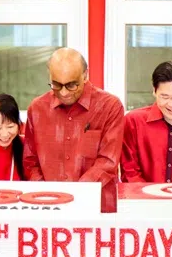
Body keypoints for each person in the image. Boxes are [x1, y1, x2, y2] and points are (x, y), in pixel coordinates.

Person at [23, 48, 124, 212]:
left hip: (97, 207)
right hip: (49, 206)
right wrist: (46, 195)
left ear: (85, 75)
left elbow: (108, 162)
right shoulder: (37, 108)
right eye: (56, 84)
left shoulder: (109, 106)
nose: (63, 92)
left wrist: (75, 195)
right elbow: (30, 161)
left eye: (71, 85)